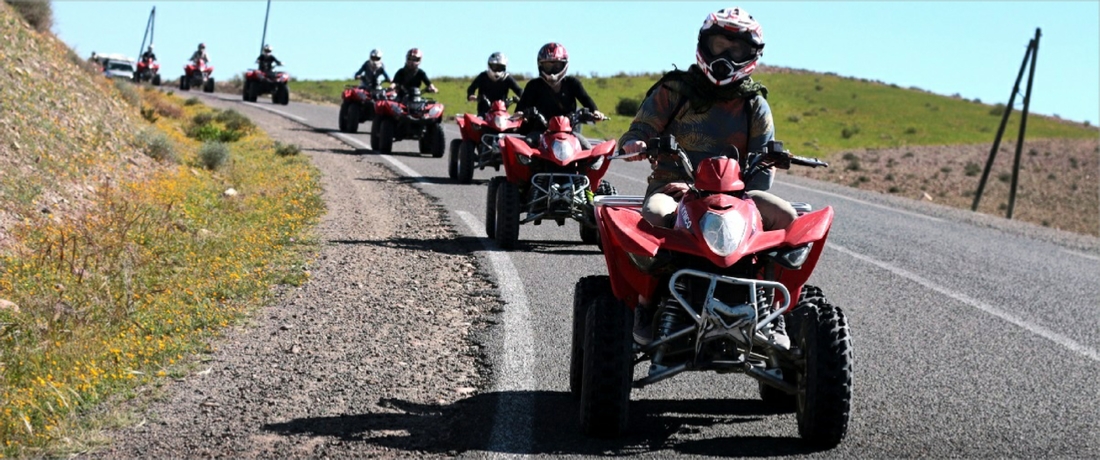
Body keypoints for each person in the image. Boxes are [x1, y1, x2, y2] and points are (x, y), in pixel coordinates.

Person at [618, 7, 797, 347]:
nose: (725, 56)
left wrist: (759, 176)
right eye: (719, 45)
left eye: (736, 50)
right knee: (654, 218)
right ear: (703, 45)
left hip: (737, 197)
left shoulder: (753, 103)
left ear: (752, 56)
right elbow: (640, 128)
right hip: (672, 188)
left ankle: (776, 314)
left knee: (788, 220)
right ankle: (646, 304)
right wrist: (636, 143)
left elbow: (764, 165)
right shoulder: (674, 90)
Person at [514, 43, 605, 149]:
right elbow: (521, 107)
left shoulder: (572, 83)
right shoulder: (533, 85)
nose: (552, 71)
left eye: (557, 65)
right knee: (525, 148)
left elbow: (585, 98)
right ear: (540, 66)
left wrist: (595, 111)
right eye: (548, 66)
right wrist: (520, 114)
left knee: (588, 150)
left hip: (568, 133)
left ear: (564, 65)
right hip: (540, 132)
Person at [466, 52, 523, 116]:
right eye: (495, 67)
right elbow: (471, 88)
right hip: (484, 113)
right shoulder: (483, 76)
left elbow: (519, 90)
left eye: (500, 67)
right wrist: (471, 95)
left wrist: (523, 98)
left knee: (515, 122)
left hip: (501, 113)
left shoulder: (507, 78)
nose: (497, 70)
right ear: (489, 65)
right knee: (477, 123)